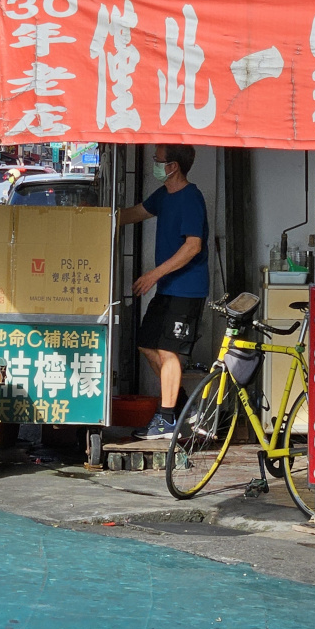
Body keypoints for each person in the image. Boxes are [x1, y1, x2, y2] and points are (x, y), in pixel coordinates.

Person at [118, 145, 209, 440]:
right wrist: (102, 217)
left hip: (187, 289)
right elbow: (137, 213)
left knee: (169, 351)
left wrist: (153, 274)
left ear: (173, 166)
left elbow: (193, 246)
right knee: (147, 343)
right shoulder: (164, 195)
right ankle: (182, 405)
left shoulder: (191, 198)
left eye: (158, 161)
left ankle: (168, 418)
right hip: (168, 287)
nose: (154, 165)